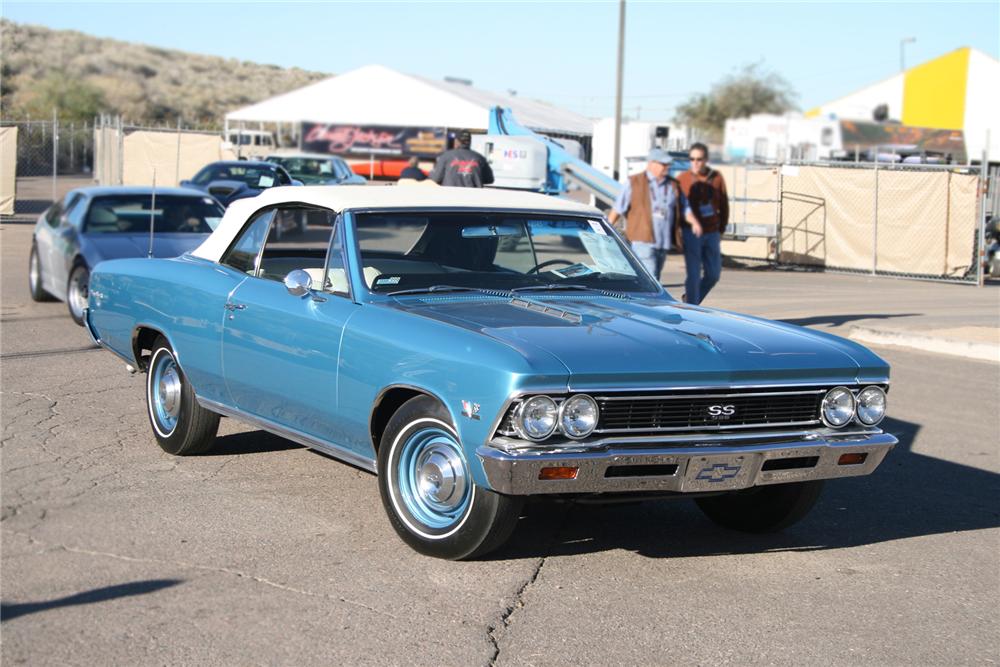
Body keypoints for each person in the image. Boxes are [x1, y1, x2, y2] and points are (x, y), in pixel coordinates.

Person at [606, 148, 683, 283]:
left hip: (663, 242)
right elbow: (617, 209)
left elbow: (684, 210)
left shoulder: (672, 185)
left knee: (653, 279)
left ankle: (642, 301)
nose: (667, 167)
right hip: (642, 240)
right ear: (651, 163)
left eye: (668, 165)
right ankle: (651, 303)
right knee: (652, 279)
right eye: (663, 164)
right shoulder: (634, 182)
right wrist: (604, 233)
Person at [675, 142, 728, 304]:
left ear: (706, 160)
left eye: (699, 159)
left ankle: (689, 300)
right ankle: (691, 307)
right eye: (692, 159)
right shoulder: (682, 179)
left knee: (713, 274)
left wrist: (721, 230)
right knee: (693, 273)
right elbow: (676, 208)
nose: (695, 162)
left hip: (712, 232)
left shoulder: (717, 178)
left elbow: (724, 205)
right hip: (691, 232)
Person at [429, 131, 494, 187]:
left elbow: (436, 178)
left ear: (456, 141)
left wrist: (431, 173)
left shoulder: (446, 156)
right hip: (473, 198)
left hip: (450, 197)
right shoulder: (480, 158)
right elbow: (489, 179)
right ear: (469, 142)